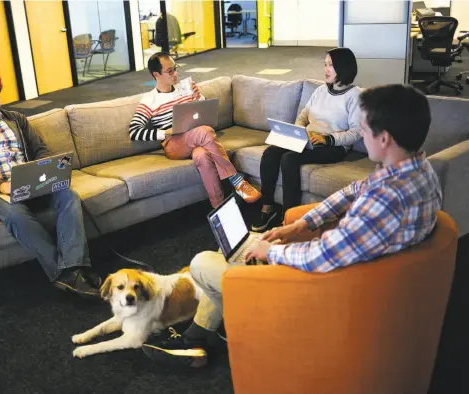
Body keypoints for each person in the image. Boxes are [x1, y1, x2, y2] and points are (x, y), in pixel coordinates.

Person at [141, 84, 443, 367]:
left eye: (363, 131)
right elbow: (352, 192)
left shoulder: (385, 200)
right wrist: (297, 227)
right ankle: (198, 339)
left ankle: (224, 328)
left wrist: (270, 252)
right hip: (356, 274)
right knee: (241, 253)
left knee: (203, 263)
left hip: (326, 293)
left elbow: (321, 257)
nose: (361, 137)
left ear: (384, 138)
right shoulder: (416, 170)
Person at [0, 69, 102, 297]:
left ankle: (72, 268)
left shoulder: (16, 120)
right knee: (16, 216)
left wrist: (44, 171)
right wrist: (0, 185)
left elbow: (39, 149)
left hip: (30, 181)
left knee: (68, 195)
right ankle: (67, 275)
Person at [129, 52, 261, 208]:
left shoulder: (184, 89)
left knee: (202, 156)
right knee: (204, 131)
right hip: (174, 144)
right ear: (156, 74)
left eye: (175, 68)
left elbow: (203, 114)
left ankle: (220, 208)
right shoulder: (149, 100)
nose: (175, 74)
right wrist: (166, 132)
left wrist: (198, 97)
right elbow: (134, 131)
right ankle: (237, 181)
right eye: (170, 71)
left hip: (195, 139)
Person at [253, 47, 362, 232]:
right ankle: (268, 207)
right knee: (271, 152)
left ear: (343, 68)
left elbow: (356, 132)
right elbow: (304, 114)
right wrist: (298, 131)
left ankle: (288, 219)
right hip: (307, 139)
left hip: (332, 146)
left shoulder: (355, 95)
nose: (326, 69)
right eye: (325, 65)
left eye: (331, 66)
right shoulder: (321, 90)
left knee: (289, 159)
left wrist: (328, 139)